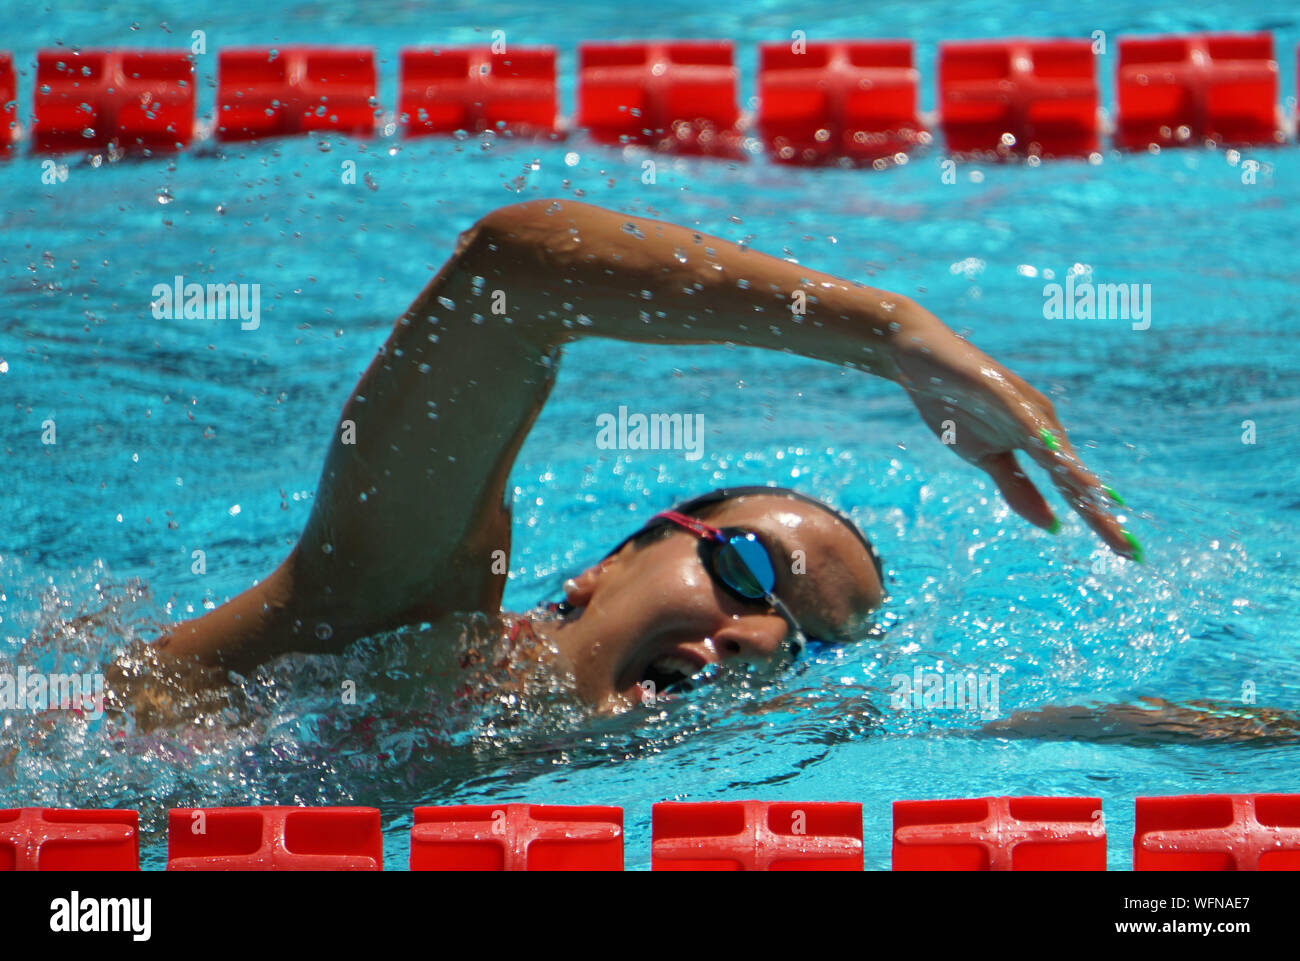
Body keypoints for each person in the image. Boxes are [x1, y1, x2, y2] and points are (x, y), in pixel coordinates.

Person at [137, 198, 1140, 714]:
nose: (757, 637)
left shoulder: (559, 777)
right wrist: (888, 330)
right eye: (748, 571)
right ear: (606, 564)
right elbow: (511, 274)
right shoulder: (404, 619)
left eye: (803, 641)